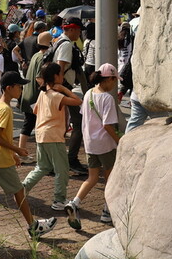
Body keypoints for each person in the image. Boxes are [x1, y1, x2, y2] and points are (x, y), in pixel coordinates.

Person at [0, 71, 57, 246]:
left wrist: (12, 154)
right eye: (19, 86)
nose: (21, 89)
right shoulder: (5, 109)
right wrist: (17, 150)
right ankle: (33, 226)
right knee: (19, 192)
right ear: (9, 88)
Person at [66, 64, 121, 229]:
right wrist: (119, 140)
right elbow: (107, 125)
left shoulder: (89, 93)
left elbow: (85, 117)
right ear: (109, 79)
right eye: (114, 80)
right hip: (105, 144)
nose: (114, 84)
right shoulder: (107, 98)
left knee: (92, 178)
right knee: (110, 179)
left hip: (90, 143)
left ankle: (75, 202)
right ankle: (106, 211)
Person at [22, 62, 82, 210]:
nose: (62, 76)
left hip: (41, 134)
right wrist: (63, 89)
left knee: (42, 166)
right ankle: (59, 200)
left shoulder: (43, 93)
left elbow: (35, 110)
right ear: (55, 76)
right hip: (53, 136)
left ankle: (22, 189)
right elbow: (78, 101)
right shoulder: (56, 95)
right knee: (61, 169)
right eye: (61, 74)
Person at [55, 17, 88, 175]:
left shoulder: (59, 41)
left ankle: (54, 160)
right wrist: (61, 89)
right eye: (79, 30)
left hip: (60, 89)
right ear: (73, 29)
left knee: (60, 124)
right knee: (78, 123)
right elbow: (60, 67)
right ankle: (71, 160)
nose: (80, 33)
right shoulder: (67, 45)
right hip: (63, 89)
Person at [17, 31, 52, 160]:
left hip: (28, 94)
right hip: (35, 96)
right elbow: (39, 78)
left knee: (29, 123)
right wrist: (48, 92)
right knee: (34, 125)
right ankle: (26, 154)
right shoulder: (44, 56)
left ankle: (23, 152)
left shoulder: (36, 55)